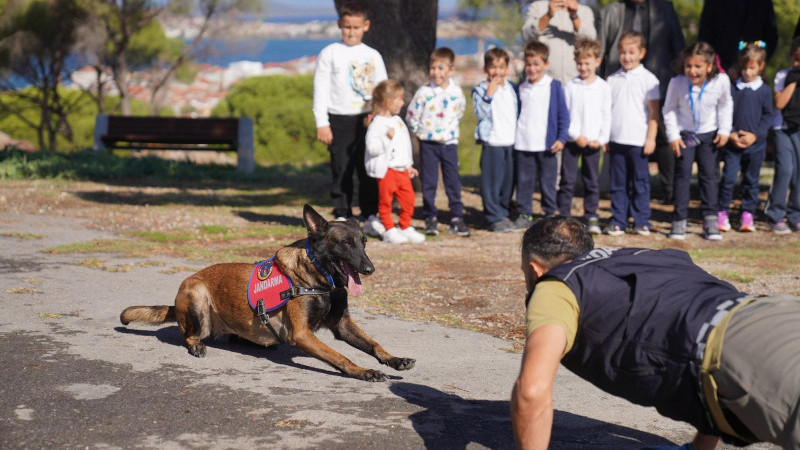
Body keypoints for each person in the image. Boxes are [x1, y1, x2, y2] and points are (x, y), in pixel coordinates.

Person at [511, 215, 800, 450]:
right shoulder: (646, 258)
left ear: (535, 270)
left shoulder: (555, 285)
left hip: (753, 356)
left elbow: (532, 391)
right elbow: (707, 327)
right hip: (775, 313)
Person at [598, 0, 684, 205]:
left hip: (657, 81)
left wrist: (677, 74)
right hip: (621, 80)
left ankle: (669, 190)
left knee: (661, 137)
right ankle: (619, 194)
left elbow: (677, 43)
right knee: (622, 139)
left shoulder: (664, 8)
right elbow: (602, 47)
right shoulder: (612, 10)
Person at [312, 0, 386, 236]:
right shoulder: (329, 53)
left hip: (368, 119)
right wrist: (322, 123)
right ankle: (342, 213)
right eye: (347, 27)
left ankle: (371, 214)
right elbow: (320, 90)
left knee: (368, 168)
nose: (351, 32)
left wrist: (381, 117)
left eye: (356, 27)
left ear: (366, 26)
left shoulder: (373, 55)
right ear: (339, 25)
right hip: (339, 119)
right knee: (341, 167)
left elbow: (382, 89)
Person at [663, 42, 733, 241]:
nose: (692, 71)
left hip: (709, 135)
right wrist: (673, 135)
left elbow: (726, 105)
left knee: (709, 176)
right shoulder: (677, 82)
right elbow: (669, 109)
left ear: (709, 66)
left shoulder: (721, 81)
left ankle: (710, 220)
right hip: (685, 136)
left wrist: (725, 129)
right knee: (682, 175)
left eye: (697, 66)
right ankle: (679, 220)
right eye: (688, 66)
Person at [406, 47, 470, 238]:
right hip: (429, 144)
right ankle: (430, 217)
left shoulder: (456, 92)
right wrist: (420, 132)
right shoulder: (424, 92)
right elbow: (411, 115)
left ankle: (457, 217)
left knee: (453, 181)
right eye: (433, 67)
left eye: (441, 68)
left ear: (451, 70)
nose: (436, 72)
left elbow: (459, 111)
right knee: (429, 181)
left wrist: (448, 131)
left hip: (449, 143)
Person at [604, 31, 659, 236]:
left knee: (640, 183)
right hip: (616, 140)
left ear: (641, 53)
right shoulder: (611, 80)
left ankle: (641, 220)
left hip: (638, 141)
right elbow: (606, 111)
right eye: (623, 52)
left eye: (631, 52)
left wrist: (651, 138)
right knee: (618, 183)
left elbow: (654, 113)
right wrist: (605, 138)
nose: (627, 57)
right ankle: (618, 220)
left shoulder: (649, 79)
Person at [513, 40, 570, 230]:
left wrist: (561, 138)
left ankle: (549, 214)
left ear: (546, 64)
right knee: (525, 182)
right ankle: (524, 213)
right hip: (524, 144)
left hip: (547, 146)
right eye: (528, 64)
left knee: (547, 182)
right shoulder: (521, 88)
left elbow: (563, 114)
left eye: (536, 64)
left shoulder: (553, 86)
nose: (531, 68)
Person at [716, 43, 773, 233]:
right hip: (733, 145)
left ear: (760, 67)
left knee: (751, 181)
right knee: (729, 179)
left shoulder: (764, 90)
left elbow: (768, 116)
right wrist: (730, 133)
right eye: (745, 67)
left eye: (752, 68)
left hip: (755, 146)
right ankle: (722, 213)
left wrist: (755, 135)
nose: (748, 72)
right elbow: (724, 111)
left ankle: (747, 214)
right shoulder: (733, 88)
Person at [557, 37, 610, 236]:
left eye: (587, 63)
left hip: (594, 143)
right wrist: (575, 135)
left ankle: (591, 215)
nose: (583, 67)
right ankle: (563, 216)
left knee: (591, 181)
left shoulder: (604, 87)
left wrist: (601, 139)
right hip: (573, 142)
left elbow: (607, 115)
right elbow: (566, 114)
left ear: (597, 61)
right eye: (579, 63)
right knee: (567, 180)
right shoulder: (570, 86)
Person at [364, 80, 425, 245]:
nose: (402, 102)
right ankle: (389, 229)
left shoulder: (398, 120)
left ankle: (405, 226)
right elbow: (372, 148)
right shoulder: (376, 124)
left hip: (402, 170)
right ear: (388, 101)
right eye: (399, 99)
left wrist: (408, 165)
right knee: (386, 201)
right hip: (387, 171)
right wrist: (386, 138)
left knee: (409, 199)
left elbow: (404, 145)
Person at [472, 47, 519, 233]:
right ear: (486, 69)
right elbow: (480, 113)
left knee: (508, 182)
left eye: (501, 67)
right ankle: (493, 216)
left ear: (507, 69)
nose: (497, 71)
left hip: (511, 141)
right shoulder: (481, 89)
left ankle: (503, 211)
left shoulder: (511, 88)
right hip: (493, 142)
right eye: (493, 67)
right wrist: (489, 94)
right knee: (492, 182)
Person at [765, 37, 800, 234]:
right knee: (785, 170)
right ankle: (775, 215)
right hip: (783, 129)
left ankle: (796, 215)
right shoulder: (783, 76)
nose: (798, 65)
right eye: (795, 60)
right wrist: (793, 81)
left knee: (799, 174)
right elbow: (779, 103)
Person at [520, 0, 597, 86]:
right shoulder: (537, 7)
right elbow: (526, 35)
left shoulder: (584, 10)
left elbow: (591, 40)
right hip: (543, 82)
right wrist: (548, 15)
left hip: (575, 81)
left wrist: (574, 16)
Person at [698, 0, 778, 78]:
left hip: (753, 75)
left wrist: (753, 64)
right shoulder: (713, 2)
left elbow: (771, 37)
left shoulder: (763, 2)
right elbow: (705, 38)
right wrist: (723, 66)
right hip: (720, 73)